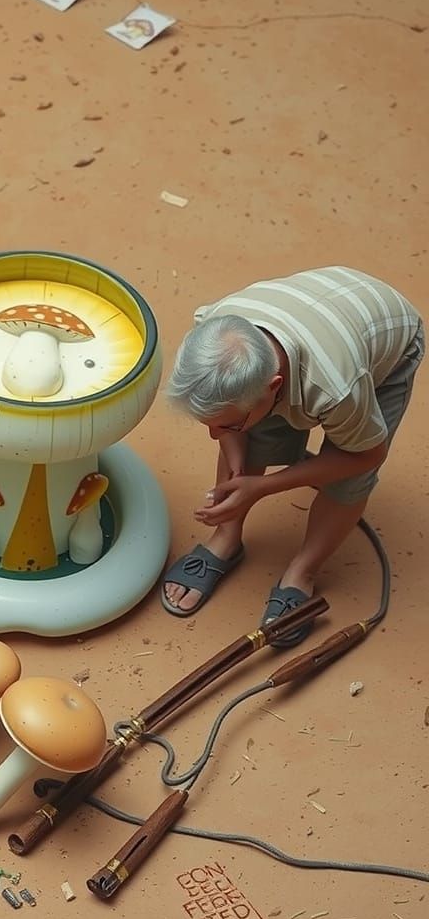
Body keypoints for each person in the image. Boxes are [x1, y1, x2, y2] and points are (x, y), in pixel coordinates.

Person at [160, 265, 423, 645]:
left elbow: (367, 455)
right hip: (318, 318)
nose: (215, 436)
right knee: (254, 433)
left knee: (348, 481)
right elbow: (232, 422)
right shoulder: (212, 331)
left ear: (275, 387)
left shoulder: (336, 387)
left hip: (386, 341)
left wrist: (264, 486)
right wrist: (238, 453)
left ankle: (303, 571)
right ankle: (226, 538)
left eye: (226, 425)